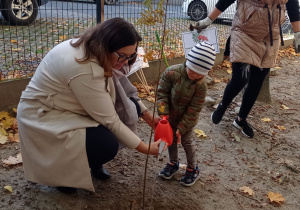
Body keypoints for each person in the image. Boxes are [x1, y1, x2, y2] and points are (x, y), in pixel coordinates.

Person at [17, 18, 162, 194]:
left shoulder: (95, 48)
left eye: (131, 56)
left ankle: (90, 163)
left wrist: (147, 115)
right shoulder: (83, 67)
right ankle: (62, 176)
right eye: (122, 56)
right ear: (106, 45)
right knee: (105, 144)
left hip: (69, 106)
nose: (125, 61)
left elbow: (122, 88)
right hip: (43, 116)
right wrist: (145, 148)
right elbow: (110, 121)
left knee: (128, 106)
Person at [196, 0, 300, 138]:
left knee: (256, 83)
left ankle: (240, 120)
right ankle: (223, 105)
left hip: (270, 37)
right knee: (240, 79)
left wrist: (298, 32)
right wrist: (208, 20)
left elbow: (292, 5)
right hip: (244, 32)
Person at [156, 42, 216, 186]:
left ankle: (192, 168)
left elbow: (194, 109)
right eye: (192, 69)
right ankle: (173, 163)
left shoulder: (201, 86)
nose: (194, 74)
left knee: (187, 142)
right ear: (188, 61)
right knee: (170, 141)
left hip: (186, 120)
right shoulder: (172, 72)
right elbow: (162, 92)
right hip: (170, 117)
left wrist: (182, 128)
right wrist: (164, 113)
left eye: (198, 73)